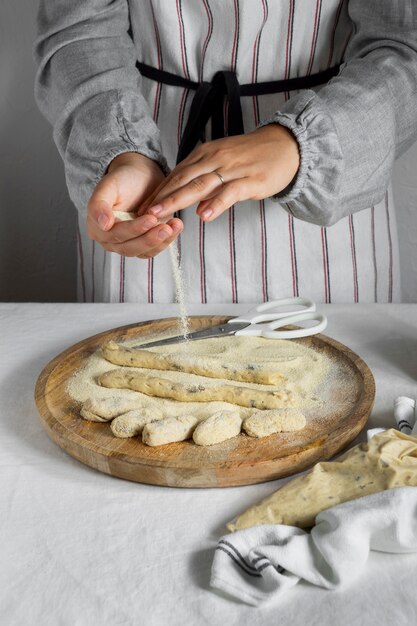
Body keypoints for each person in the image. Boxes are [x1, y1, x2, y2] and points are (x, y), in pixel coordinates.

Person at [35, 1, 417, 304]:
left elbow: (404, 47)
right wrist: (120, 149)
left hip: (329, 207)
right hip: (144, 177)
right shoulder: (124, 154)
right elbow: (78, 29)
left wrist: (302, 145)